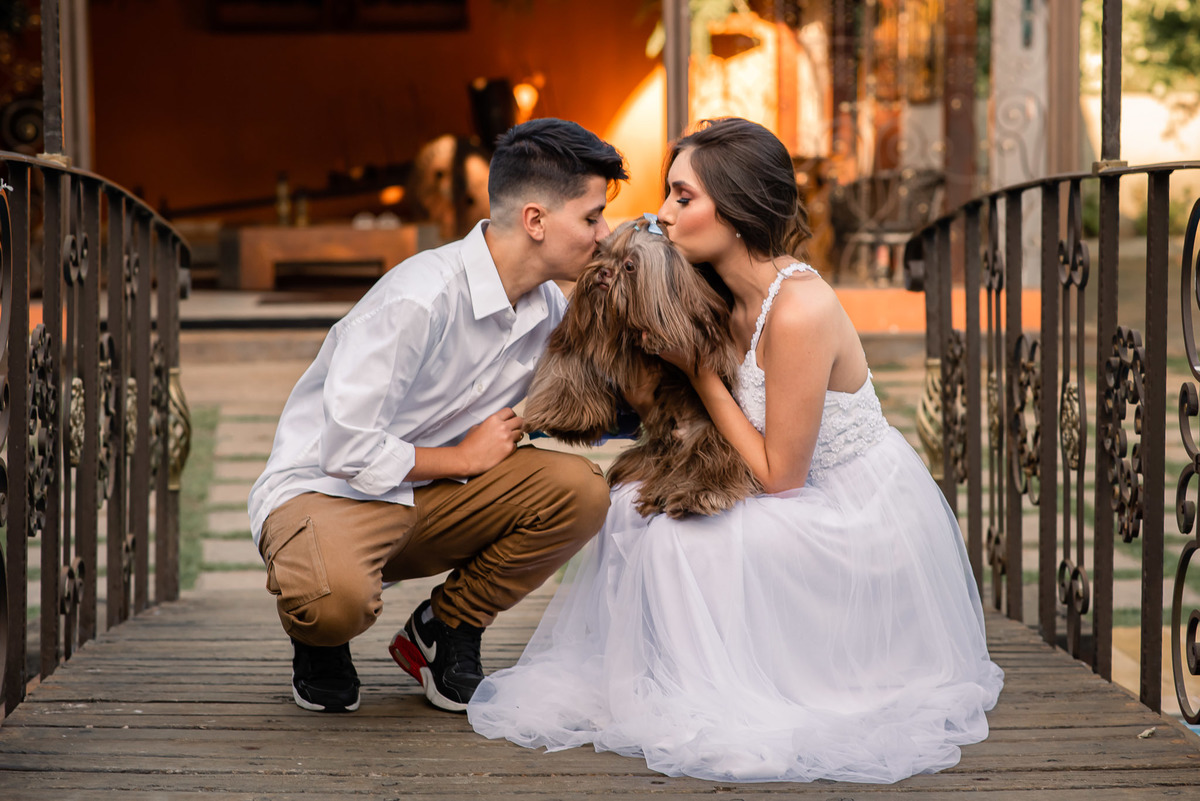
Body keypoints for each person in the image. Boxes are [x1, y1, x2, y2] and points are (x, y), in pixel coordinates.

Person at [466, 118, 1004, 783]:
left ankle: (722, 692)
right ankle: (662, 682)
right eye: (667, 194)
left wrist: (699, 372)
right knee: (627, 507)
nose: (663, 214)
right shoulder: (709, 291)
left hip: (840, 509)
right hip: (769, 482)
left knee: (678, 543)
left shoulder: (799, 309)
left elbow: (782, 476)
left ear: (739, 208)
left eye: (683, 197)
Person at [248, 118, 628, 715]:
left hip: (434, 498)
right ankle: (320, 641)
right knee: (331, 603)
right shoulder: (419, 297)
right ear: (535, 220)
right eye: (592, 217)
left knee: (579, 492)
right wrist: (463, 457)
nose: (605, 236)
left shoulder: (549, 308)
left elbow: (600, 406)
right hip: (327, 493)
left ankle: (444, 627)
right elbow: (345, 449)